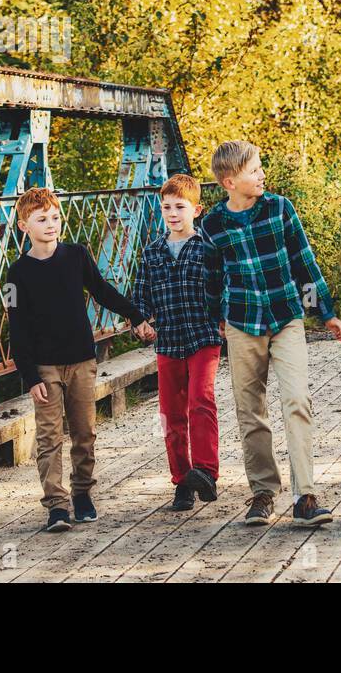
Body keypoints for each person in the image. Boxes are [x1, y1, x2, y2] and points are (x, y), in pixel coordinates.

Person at [201, 140, 341, 527]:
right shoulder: (212, 224)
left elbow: (304, 261)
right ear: (229, 181)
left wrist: (326, 312)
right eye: (253, 170)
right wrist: (215, 321)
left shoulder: (280, 209)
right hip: (241, 322)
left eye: (261, 167)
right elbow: (213, 277)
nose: (261, 174)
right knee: (251, 411)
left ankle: (305, 496)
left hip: (286, 317)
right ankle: (263, 493)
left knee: (297, 400)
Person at [5, 186, 155, 532]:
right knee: (49, 437)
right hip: (44, 367)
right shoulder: (18, 274)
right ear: (24, 225)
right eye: (42, 219)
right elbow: (18, 328)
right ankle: (56, 506)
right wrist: (30, 377)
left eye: (55, 217)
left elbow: (102, 291)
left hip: (82, 360)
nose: (51, 224)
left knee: (84, 432)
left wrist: (136, 316)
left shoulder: (76, 256)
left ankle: (83, 493)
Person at [132, 174, 223, 512]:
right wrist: (140, 320)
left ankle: (206, 472)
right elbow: (140, 295)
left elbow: (221, 289)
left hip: (203, 337)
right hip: (168, 340)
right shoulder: (152, 252)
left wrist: (225, 317)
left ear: (196, 210)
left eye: (180, 207)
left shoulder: (208, 249)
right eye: (167, 207)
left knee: (202, 400)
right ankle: (182, 481)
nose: (173, 213)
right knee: (171, 415)